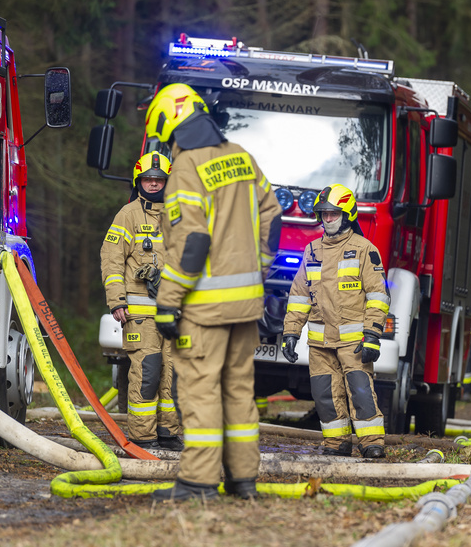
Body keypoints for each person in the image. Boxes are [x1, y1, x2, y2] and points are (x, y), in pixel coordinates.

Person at [148, 83, 282, 501]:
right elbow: (272, 217)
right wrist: (255, 267)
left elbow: (191, 243)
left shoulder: (187, 167)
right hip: (246, 307)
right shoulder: (242, 157)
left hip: (203, 311)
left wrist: (169, 302)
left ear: (170, 123)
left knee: (199, 390)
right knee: (240, 390)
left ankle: (199, 482)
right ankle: (243, 481)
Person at [281, 184, 391, 459]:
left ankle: (372, 443)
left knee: (361, 392)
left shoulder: (364, 249)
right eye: (324, 214)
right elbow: (299, 295)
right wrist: (291, 333)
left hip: (354, 342)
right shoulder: (312, 250)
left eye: (333, 213)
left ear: (347, 214)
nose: (328, 219)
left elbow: (378, 296)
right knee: (325, 396)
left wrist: (373, 335)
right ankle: (336, 444)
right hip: (320, 343)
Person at [100, 151, 182, 451]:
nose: (153, 184)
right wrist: (117, 301)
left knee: (173, 377)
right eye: (147, 179)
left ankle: (168, 433)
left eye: (159, 179)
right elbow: (111, 260)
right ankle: (142, 437)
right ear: (139, 181)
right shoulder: (128, 215)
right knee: (147, 373)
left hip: (175, 314)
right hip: (140, 314)